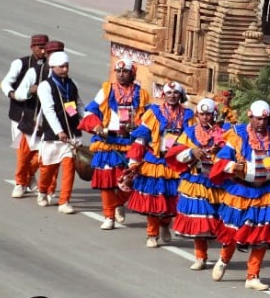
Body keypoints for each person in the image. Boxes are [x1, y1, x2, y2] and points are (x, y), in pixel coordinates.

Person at [209, 100, 270, 290]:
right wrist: (232, 166)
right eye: (258, 119)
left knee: (262, 234)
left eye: (265, 119)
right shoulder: (237, 135)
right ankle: (223, 260)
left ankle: (252, 276)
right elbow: (221, 159)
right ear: (250, 116)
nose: (262, 122)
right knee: (233, 231)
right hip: (241, 191)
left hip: (264, 191)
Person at [78, 59, 152, 229]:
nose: (120, 74)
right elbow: (90, 110)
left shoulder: (142, 94)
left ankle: (118, 203)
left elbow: (149, 118)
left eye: (124, 71)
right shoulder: (107, 90)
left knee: (132, 179)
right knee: (107, 182)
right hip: (108, 141)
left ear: (132, 73)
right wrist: (96, 125)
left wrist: (136, 126)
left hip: (130, 142)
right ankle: (108, 216)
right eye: (118, 71)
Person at [125, 82, 192, 249]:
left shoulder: (188, 115)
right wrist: (134, 159)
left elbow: (192, 139)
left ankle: (165, 224)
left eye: (175, 93)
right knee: (153, 199)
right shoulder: (153, 113)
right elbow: (142, 137)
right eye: (168, 92)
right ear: (164, 95)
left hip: (176, 162)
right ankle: (151, 233)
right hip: (154, 161)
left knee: (172, 199)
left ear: (180, 95)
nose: (172, 95)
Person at [167, 98, 230, 270]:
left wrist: (222, 151)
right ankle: (200, 257)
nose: (204, 117)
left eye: (208, 114)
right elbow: (176, 154)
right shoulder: (188, 132)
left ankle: (224, 257)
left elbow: (236, 151)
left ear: (214, 114)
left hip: (219, 183)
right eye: (201, 114)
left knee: (224, 221)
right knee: (199, 222)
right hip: (196, 182)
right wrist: (191, 152)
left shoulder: (225, 131)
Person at [31, 51, 84, 213]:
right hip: (53, 135)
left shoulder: (71, 84)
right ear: (53, 67)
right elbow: (49, 110)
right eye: (61, 67)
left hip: (71, 134)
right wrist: (59, 131)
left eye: (67, 66)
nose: (65, 69)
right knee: (48, 168)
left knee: (69, 168)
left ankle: (64, 201)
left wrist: (86, 120)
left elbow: (78, 105)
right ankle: (42, 191)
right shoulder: (46, 86)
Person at [2, 34, 49, 199]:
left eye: (45, 48)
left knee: (41, 152)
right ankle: (21, 182)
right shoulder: (20, 64)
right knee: (23, 152)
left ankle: (27, 176)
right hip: (20, 116)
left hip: (42, 118)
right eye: (40, 47)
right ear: (32, 47)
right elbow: (6, 82)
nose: (43, 51)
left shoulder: (53, 69)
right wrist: (13, 94)